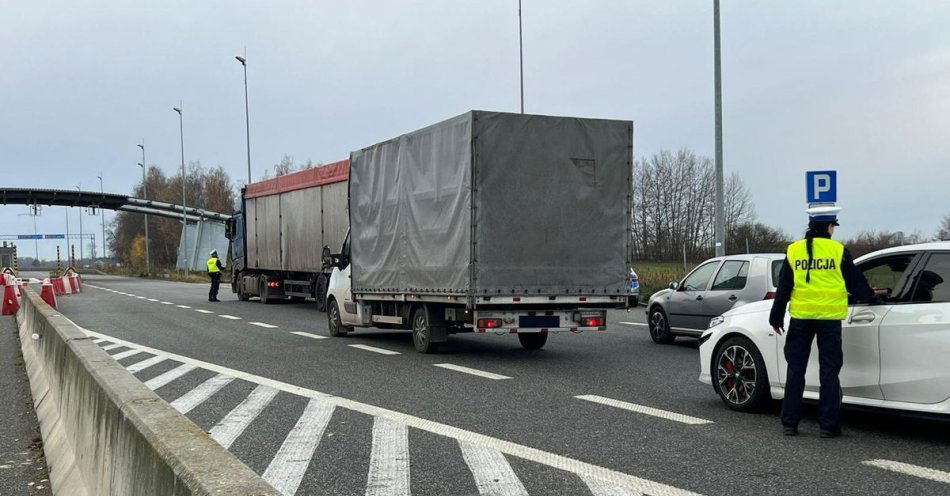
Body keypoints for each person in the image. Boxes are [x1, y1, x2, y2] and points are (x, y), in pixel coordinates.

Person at [769, 205, 873, 438]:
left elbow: (784, 286)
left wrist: (775, 316)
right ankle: (828, 425)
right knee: (829, 371)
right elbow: (856, 281)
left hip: (800, 318)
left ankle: (790, 423)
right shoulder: (838, 250)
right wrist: (869, 296)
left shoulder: (794, 250)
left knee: (795, 369)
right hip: (829, 320)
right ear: (829, 227)